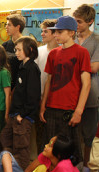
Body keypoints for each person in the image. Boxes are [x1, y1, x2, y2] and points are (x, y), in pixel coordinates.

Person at [39, 16, 91, 164]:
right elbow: (49, 81)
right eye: (55, 32)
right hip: (51, 108)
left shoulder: (82, 52)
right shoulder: (53, 53)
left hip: (70, 110)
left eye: (60, 32)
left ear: (71, 33)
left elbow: (86, 84)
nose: (56, 35)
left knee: (69, 155)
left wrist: (79, 111)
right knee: (49, 151)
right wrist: (43, 106)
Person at [0, 36, 41, 171]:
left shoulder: (32, 68)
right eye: (15, 50)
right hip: (15, 113)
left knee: (21, 148)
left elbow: (33, 96)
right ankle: (10, 171)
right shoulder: (22, 66)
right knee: (5, 139)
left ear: (29, 50)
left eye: (19, 50)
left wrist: (22, 115)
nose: (16, 53)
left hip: (22, 116)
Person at [73, 4, 99, 172]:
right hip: (71, 92)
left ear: (90, 22)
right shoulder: (71, 37)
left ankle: (86, 170)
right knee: (72, 133)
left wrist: (73, 67)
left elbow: (95, 67)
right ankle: (73, 168)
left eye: (80, 22)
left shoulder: (97, 40)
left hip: (91, 93)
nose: (76, 25)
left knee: (88, 135)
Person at [34, 19, 59, 154]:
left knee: (55, 137)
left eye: (46, 31)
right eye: (42, 31)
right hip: (40, 99)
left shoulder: (61, 52)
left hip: (56, 101)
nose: (42, 34)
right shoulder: (39, 51)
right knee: (41, 136)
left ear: (55, 33)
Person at [3, 14, 26, 90]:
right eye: (6, 25)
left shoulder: (27, 45)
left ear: (18, 27)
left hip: (21, 87)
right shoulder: (5, 45)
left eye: (9, 25)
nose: (6, 27)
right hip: (7, 85)